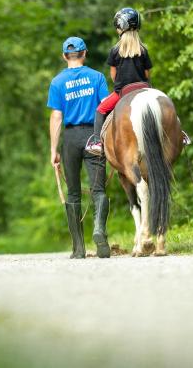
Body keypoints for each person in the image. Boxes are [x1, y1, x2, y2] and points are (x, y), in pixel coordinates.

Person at [86, 7, 191, 155]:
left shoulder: (115, 50)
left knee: (100, 110)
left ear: (120, 27)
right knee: (165, 104)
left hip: (123, 92)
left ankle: (97, 143)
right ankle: (180, 134)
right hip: (144, 88)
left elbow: (113, 74)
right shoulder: (143, 50)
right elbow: (147, 73)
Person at [47, 36, 111, 259]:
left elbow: (56, 116)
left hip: (71, 138)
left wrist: (54, 149)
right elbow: (105, 108)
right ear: (84, 54)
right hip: (93, 135)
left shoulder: (57, 82)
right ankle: (99, 230)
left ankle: (78, 249)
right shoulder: (97, 77)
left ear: (65, 56)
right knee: (99, 189)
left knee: (73, 193)